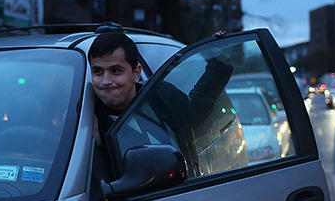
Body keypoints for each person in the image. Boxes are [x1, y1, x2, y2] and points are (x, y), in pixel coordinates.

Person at [88, 30, 234, 146]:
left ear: (136, 73)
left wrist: (219, 58)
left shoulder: (160, 96)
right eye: (98, 72)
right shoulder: (82, 120)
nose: (105, 81)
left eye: (116, 71)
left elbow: (195, 113)